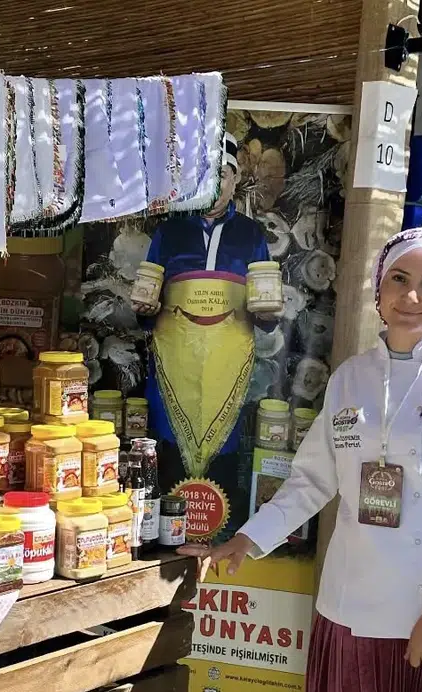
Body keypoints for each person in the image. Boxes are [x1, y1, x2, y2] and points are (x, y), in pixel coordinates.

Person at [180, 227, 422, 692]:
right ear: (379, 287)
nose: (411, 296)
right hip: (352, 602)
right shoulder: (351, 377)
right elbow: (312, 479)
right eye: (399, 279)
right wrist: (248, 538)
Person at [132, 133, 280, 540]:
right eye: (204, 177)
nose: (214, 187)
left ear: (236, 179)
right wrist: (144, 312)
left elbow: (264, 307)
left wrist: (268, 317)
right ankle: (164, 543)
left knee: (224, 442)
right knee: (168, 441)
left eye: (223, 176)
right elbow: (147, 303)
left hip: (227, 363)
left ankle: (217, 542)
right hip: (174, 360)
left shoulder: (251, 235)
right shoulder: (169, 232)